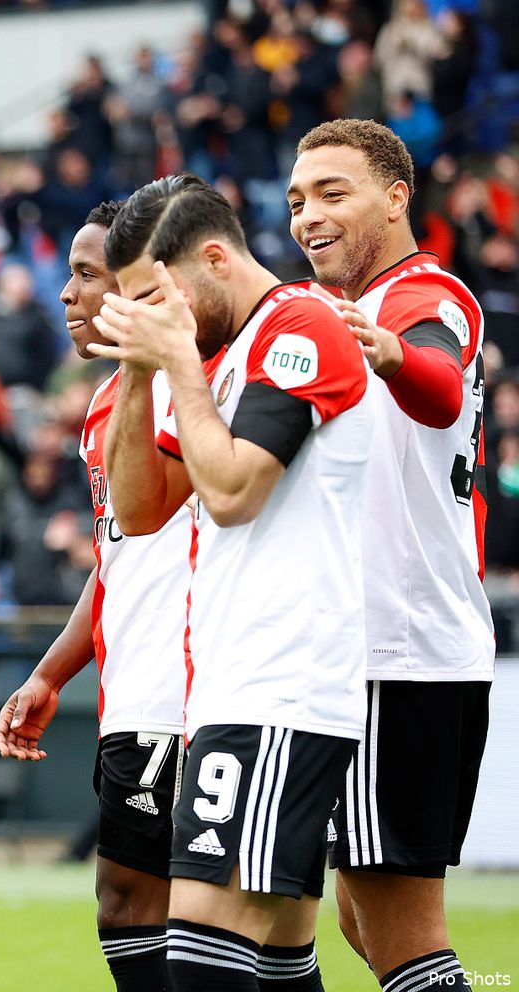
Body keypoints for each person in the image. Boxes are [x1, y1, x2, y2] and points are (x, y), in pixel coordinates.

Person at [93, 174, 372, 992]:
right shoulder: (214, 360)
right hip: (232, 684)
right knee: (279, 964)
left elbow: (234, 491)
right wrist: (142, 374)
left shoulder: (300, 327)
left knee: (199, 961)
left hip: (283, 684)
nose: (146, 312)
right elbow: (141, 512)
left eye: (154, 293)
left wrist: (175, 360)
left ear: (214, 257)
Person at [288, 119, 491, 992]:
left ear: (397, 197)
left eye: (334, 193)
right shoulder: (341, 310)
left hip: (392, 654)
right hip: (391, 653)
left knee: (403, 935)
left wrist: (390, 351)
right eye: (298, 200)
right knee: (363, 921)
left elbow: (440, 385)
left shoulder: (420, 297)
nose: (308, 215)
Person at [0, 199, 192, 992]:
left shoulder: (186, 384)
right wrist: (50, 672)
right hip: (134, 686)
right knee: (175, 916)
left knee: (139, 908)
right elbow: (120, 562)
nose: (67, 295)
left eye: (86, 275)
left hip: (182, 692)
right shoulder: (111, 402)